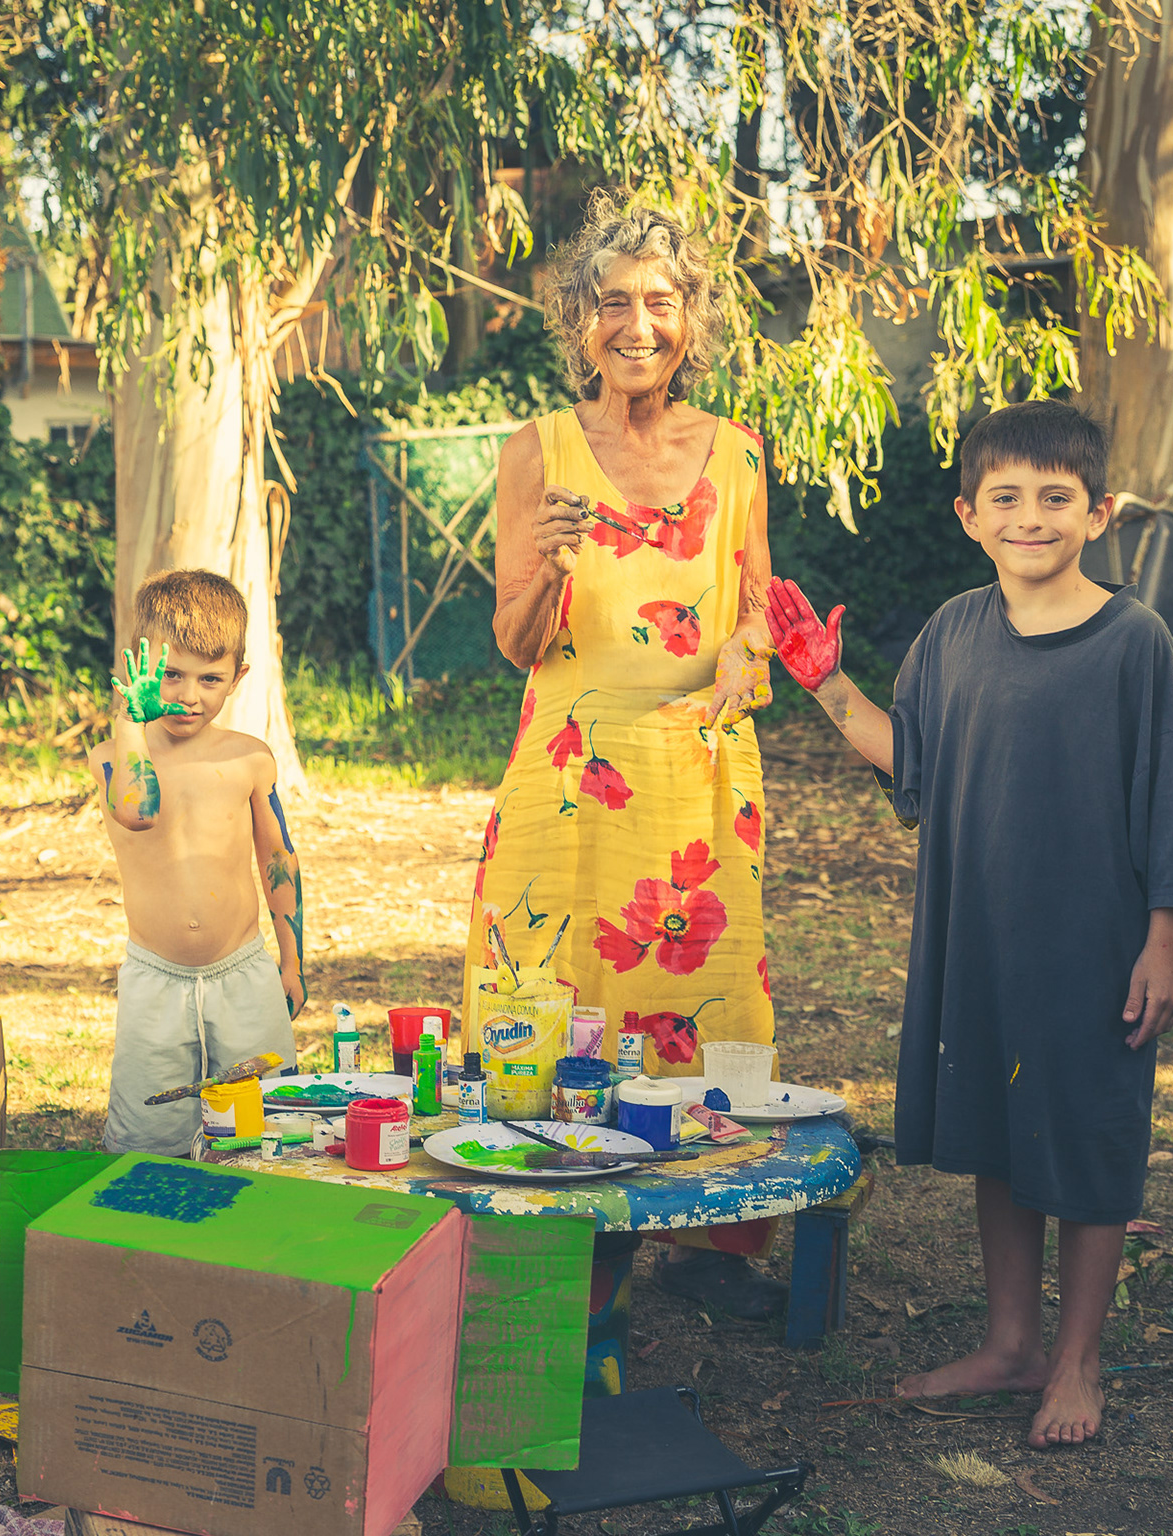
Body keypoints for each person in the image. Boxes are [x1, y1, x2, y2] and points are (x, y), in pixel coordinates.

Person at [767, 399, 1173, 1448]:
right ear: (968, 513)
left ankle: (1078, 1359)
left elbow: (1172, 795)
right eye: (1007, 497)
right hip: (981, 936)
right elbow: (911, 756)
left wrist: (1167, 938)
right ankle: (1012, 1343)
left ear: (1096, 512)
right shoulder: (956, 631)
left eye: (1056, 498)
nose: (1031, 516)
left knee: (1088, 1139)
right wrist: (823, 684)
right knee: (1003, 1135)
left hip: (1096, 942)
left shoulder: (1135, 641)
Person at [470, 191, 785, 1317]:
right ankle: (559, 1237)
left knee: (704, 990)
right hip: (569, 773)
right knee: (553, 987)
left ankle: (711, 1241)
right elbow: (517, 641)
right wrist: (547, 565)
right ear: (580, 325)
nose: (636, 324)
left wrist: (744, 665)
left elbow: (754, 614)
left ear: (692, 319)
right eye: (612, 304)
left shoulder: (739, 454)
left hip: (695, 772)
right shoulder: (539, 452)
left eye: (661, 302)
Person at [89, 570, 305, 1154]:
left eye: (210, 679)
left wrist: (292, 961)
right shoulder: (113, 756)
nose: (188, 695)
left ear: (238, 678)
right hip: (155, 978)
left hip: (242, 970)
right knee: (148, 1135)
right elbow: (139, 811)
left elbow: (279, 860)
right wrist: (131, 719)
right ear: (139, 666)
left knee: (267, 1127)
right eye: (171, 674)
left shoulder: (248, 758)